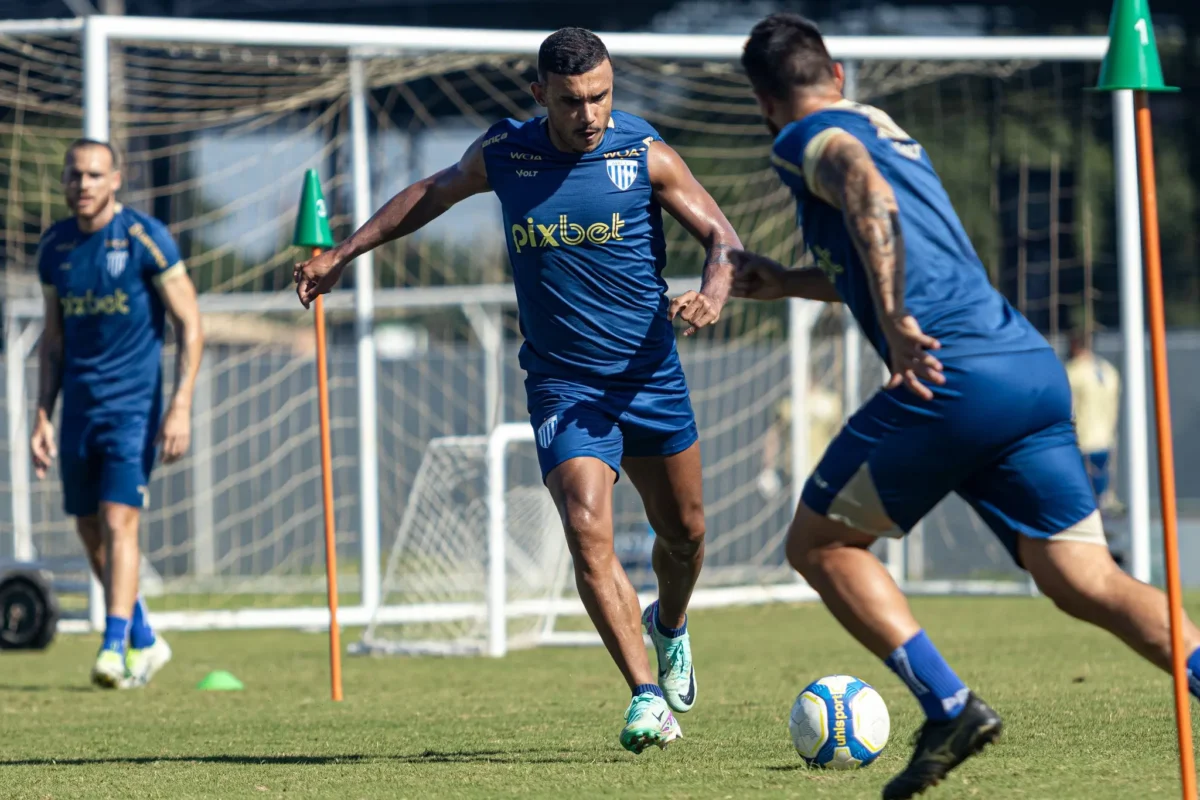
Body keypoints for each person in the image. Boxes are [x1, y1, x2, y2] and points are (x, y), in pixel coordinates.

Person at [732, 14, 1200, 798]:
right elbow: (892, 236)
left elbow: (861, 189)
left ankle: (948, 706)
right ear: (839, 74)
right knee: (1079, 575)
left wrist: (891, 321)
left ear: (765, 102)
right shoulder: (891, 128)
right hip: (1025, 366)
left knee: (819, 546)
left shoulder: (804, 139)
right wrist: (789, 282)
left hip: (948, 380)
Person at [294, 28, 741, 753]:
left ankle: (671, 625)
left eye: (600, 96)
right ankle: (645, 697)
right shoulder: (507, 153)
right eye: (572, 101)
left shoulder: (644, 154)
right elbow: (432, 192)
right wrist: (345, 251)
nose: (589, 114)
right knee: (586, 525)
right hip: (563, 382)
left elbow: (724, 237)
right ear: (540, 96)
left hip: (648, 376)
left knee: (684, 535)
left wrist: (712, 294)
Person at [32, 139, 204, 689]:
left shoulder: (143, 238)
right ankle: (145, 639)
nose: (83, 184)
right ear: (64, 181)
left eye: (94, 174)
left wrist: (180, 405)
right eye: (74, 174)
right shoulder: (54, 247)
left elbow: (192, 324)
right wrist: (42, 415)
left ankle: (112, 649)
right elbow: (52, 340)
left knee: (118, 520)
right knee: (89, 531)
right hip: (79, 409)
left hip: (134, 408)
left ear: (116, 180)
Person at [1064, 328, 1122, 512]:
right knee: (1100, 498)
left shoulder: (1072, 372)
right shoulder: (1108, 371)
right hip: (1106, 443)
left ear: (1074, 346)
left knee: (1081, 505)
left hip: (1082, 445)